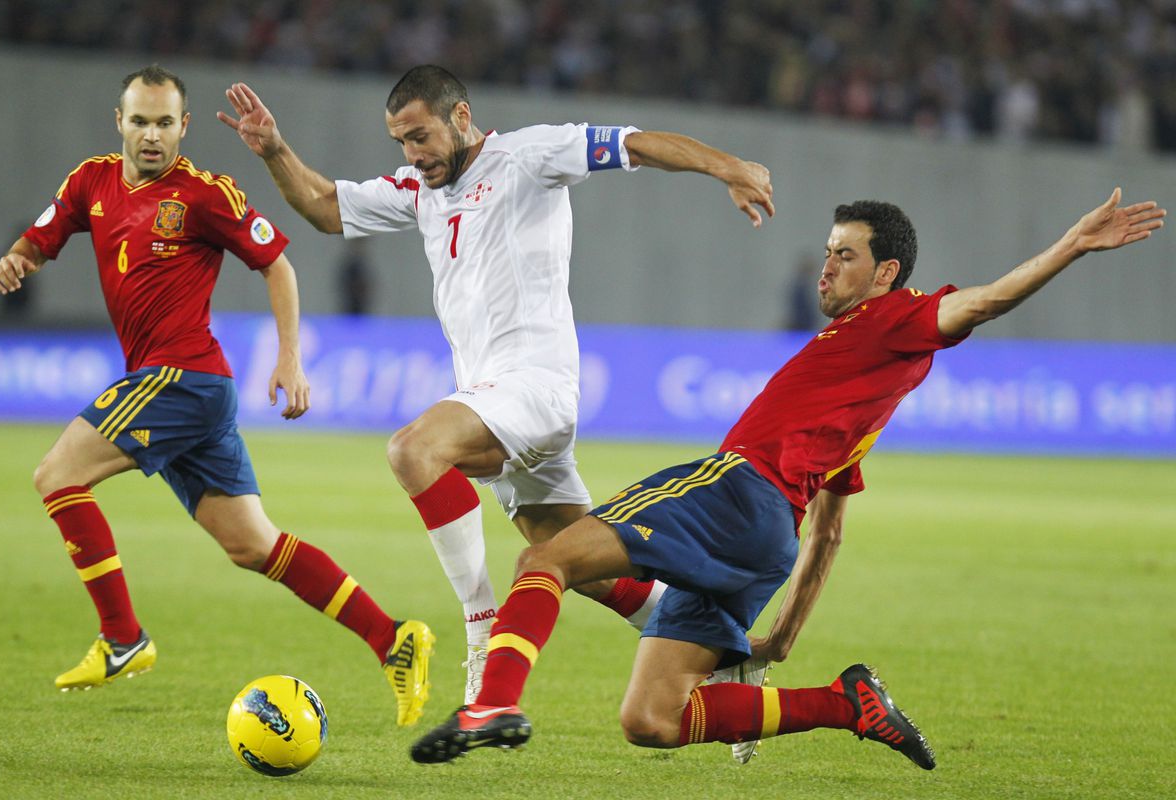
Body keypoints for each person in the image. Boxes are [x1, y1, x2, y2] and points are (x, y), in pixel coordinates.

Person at [408, 189, 1165, 767]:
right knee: (653, 720)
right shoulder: (860, 392)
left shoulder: (898, 319)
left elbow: (985, 303)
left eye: (845, 254)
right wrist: (778, 640)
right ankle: (847, 704)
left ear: (888, 272)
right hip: (769, 536)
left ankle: (492, 705)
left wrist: (1071, 244)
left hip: (735, 491)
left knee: (547, 558)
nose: (827, 266)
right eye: (828, 251)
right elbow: (828, 531)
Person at [217, 64, 775, 703]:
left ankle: (481, 631)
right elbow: (325, 208)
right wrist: (275, 150)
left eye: (421, 136)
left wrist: (728, 167)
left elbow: (637, 144)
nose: (412, 154)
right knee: (577, 562)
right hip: (498, 403)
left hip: (534, 387)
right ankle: (728, 650)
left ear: (460, 117)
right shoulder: (419, 188)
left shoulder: (528, 155)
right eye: (400, 141)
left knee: (413, 449)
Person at [0, 65, 433, 727]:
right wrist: (20, 258)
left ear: (183, 126)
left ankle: (123, 638)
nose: (150, 135)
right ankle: (393, 639)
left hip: (183, 378)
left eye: (164, 122)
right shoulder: (91, 180)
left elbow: (276, 263)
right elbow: (45, 235)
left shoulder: (204, 195)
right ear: (120, 122)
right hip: (181, 391)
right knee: (254, 546)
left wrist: (289, 358)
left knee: (57, 476)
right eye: (139, 120)